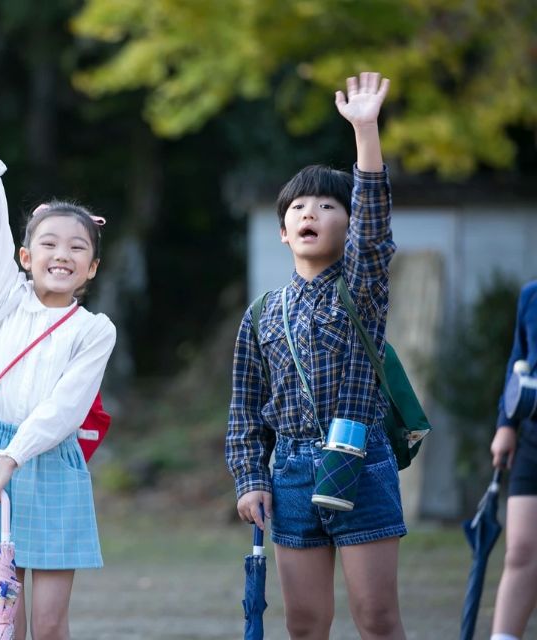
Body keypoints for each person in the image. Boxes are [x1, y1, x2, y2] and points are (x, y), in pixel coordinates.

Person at [226, 72, 407, 640]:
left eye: (328, 205)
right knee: (304, 623)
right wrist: (250, 479)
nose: (310, 212)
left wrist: (365, 130)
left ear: (349, 226)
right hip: (291, 473)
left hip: (360, 461)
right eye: (299, 206)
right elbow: (244, 412)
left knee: (377, 618)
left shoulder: (361, 287)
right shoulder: (262, 313)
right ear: (283, 230)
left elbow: (374, 228)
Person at [0, 77, 116, 640]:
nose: (62, 254)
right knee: (2, 621)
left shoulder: (94, 330)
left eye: (77, 247)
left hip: (50, 460)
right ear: (24, 255)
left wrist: (11, 460)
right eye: (49, 243)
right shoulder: (6, 298)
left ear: (91, 268)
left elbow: (66, 408)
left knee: (50, 624)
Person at [489, 282, 537, 640]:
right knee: (520, 550)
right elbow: (518, 360)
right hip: (533, 436)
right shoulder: (531, 295)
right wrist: (506, 424)